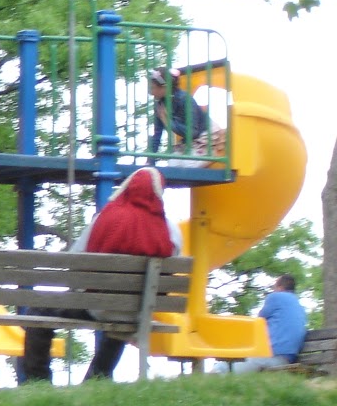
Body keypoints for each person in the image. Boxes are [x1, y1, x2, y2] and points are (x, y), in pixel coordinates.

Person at [19, 166, 183, 383]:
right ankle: (96, 380)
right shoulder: (171, 231)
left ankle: (37, 380)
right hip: (138, 311)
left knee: (37, 311)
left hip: (96, 307)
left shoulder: (106, 218)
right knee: (122, 316)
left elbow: (76, 261)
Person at [238, 274, 308, 372]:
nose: (273, 290)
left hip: (273, 356)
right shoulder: (299, 306)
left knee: (228, 367)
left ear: (279, 287)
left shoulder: (275, 297)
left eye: (274, 287)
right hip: (287, 359)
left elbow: (259, 320)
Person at [147, 68, 216, 158]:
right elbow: (157, 133)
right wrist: (150, 159)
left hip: (208, 136)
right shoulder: (160, 104)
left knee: (186, 164)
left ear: (164, 87)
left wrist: (168, 122)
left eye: (153, 88)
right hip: (190, 141)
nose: (150, 93)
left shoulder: (184, 99)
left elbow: (193, 132)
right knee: (174, 162)